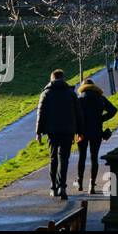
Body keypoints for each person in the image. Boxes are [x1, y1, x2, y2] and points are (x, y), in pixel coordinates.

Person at [35, 69, 81, 200]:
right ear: (63, 78)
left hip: (52, 131)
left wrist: (38, 132)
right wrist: (80, 131)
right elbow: (78, 113)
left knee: (53, 158)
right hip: (68, 131)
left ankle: (53, 187)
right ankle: (62, 187)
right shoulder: (70, 93)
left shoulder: (46, 93)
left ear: (52, 79)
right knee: (64, 159)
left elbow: (41, 113)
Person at [75, 78, 118, 193]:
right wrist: (101, 119)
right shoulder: (100, 98)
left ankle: (79, 183)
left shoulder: (79, 98)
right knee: (94, 158)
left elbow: (74, 115)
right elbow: (113, 110)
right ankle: (92, 185)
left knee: (82, 157)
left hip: (82, 132)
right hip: (96, 131)